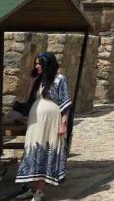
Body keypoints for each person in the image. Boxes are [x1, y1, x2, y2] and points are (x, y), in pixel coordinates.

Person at [15, 52, 73, 199]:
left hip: (50, 121)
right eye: (36, 64)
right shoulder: (40, 80)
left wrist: (63, 124)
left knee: (44, 150)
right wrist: (31, 81)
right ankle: (33, 188)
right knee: (32, 150)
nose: (37, 66)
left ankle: (40, 191)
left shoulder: (60, 79)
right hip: (36, 120)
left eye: (39, 64)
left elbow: (65, 104)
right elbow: (29, 98)